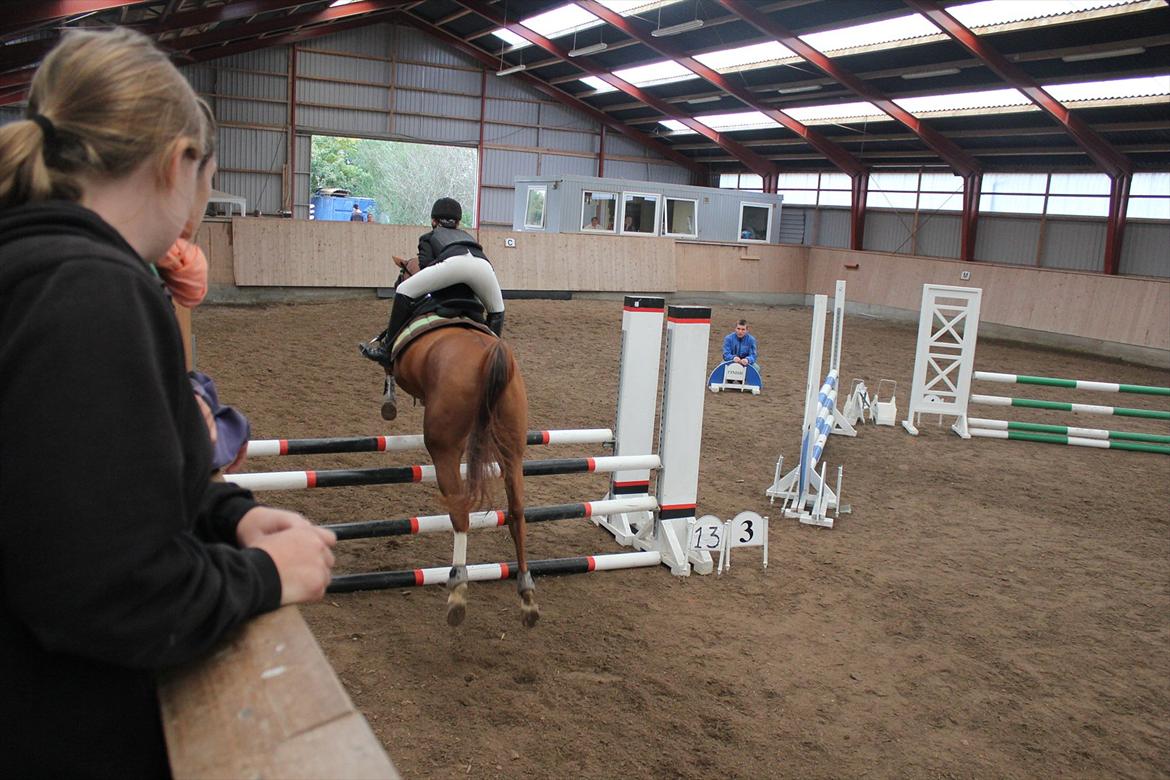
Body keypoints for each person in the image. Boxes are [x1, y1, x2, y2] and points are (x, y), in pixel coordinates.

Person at [0, 28, 336, 778]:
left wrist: (230, 515)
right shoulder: (92, 289)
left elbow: (83, 489)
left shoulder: (29, 264)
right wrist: (267, 575)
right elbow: (108, 591)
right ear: (179, 161)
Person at [359, 197, 504, 421]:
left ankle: (386, 350)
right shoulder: (469, 238)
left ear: (434, 221)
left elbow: (427, 266)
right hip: (483, 268)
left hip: (452, 264)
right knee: (497, 311)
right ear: (458, 222)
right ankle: (494, 357)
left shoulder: (429, 237)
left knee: (404, 290)